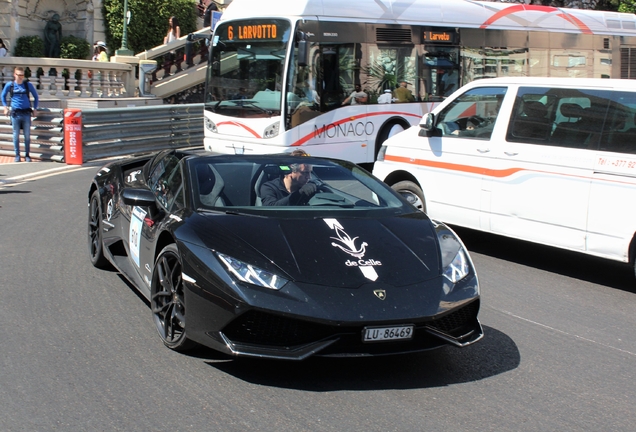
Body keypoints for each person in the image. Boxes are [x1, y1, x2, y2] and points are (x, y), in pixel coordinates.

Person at [1, 67, 39, 162]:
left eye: (22, 75)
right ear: (15, 75)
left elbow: (36, 97)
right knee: (15, 135)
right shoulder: (10, 85)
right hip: (15, 114)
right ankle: (17, 155)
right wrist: (5, 107)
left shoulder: (27, 85)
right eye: (19, 75)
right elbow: (3, 95)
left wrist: (35, 108)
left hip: (26, 113)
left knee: (27, 135)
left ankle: (27, 155)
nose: (21, 77)